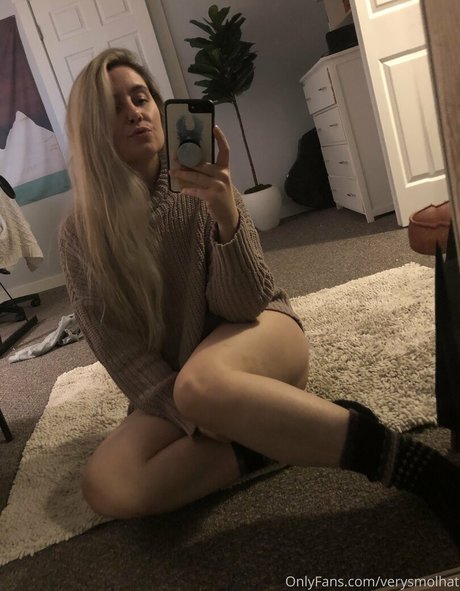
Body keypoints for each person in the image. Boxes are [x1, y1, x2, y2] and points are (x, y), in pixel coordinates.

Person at [60, 48, 459, 544]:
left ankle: (411, 463)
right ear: (90, 129)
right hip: (185, 388)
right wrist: (196, 416)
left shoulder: (205, 185)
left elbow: (246, 303)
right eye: (113, 106)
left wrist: (225, 212)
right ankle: (273, 435)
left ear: (161, 110)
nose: (134, 112)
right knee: (108, 484)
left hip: (260, 336)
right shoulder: (81, 234)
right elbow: (121, 352)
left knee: (201, 386)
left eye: (140, 98)